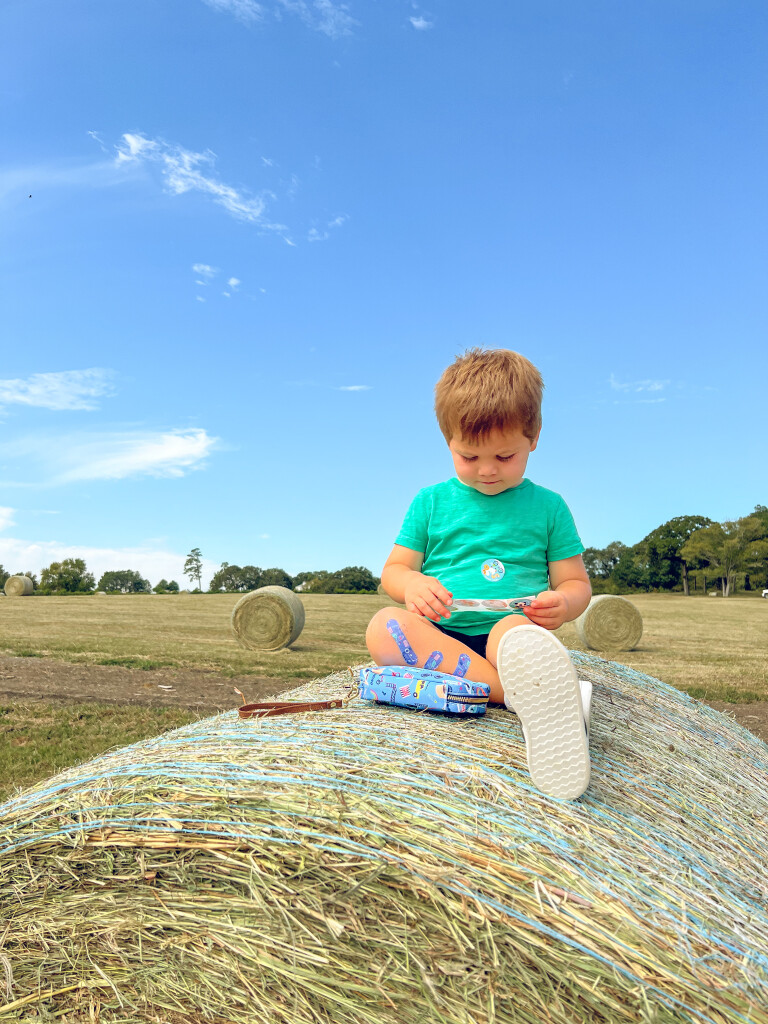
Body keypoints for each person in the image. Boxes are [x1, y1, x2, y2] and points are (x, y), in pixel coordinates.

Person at [365, 348, 593, 800]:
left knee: (511, 629)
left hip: (514, 640)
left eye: (505, 456)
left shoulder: (549, 507)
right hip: (442, 639)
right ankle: (525, 697)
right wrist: (412, 585)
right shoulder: (429, 503)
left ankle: (516, 685)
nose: (487, 470)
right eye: (469, 457)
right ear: (447, 440)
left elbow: (577, 585)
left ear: (534, 438)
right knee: (382, 628)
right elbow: (393, 571)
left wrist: (563, 604)